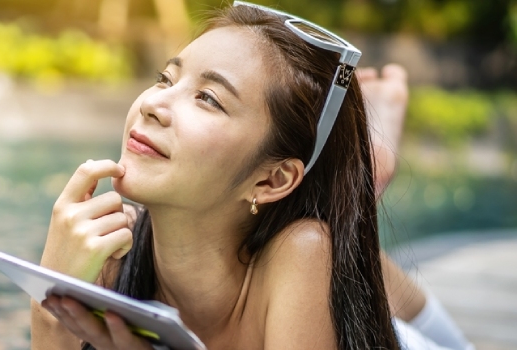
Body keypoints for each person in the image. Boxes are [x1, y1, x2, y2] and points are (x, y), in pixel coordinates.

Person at [31, 2, 473, 349]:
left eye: (208, 98)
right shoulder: (112, 260)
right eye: (165, 79)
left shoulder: (303, 252)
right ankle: (359, 182)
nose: (151, 104)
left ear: (271, 180)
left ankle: (361, 180)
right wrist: (49, 298)